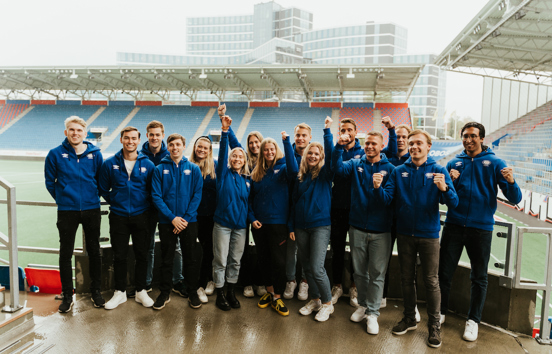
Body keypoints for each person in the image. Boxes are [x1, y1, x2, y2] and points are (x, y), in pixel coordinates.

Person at [375, 129, 458, 348]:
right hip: (404, 234)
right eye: (411, 143)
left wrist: (445, 188)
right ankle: (410, 318)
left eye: (419, 143)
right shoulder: (399, 171)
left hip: (429, 235)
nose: (414, 146)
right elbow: (386, 199)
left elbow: (454, 203)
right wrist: (377, 188)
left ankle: (433, 325)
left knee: (431, 281)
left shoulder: (439, 170)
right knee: (406, 278)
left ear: (429, 146)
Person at [439, 122, 522, 342]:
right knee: (444, 273)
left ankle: (473, 321)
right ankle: (440, 313)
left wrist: (512, 182)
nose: (468, 140)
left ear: (482, 138)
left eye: (473, 136)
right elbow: (443, 197)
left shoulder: (495, 162)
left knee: (479, 277)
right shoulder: (454, 163)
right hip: (454, 225)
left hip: (481, 228)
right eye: (465, 136)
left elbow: (515, 199)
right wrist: (451, 182)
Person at [332, 131, 395, 334]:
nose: (369, 146)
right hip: (357, 226)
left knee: (377, 274)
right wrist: (337, 147)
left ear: (381, 145)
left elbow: (388, 200)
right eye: (367, 143)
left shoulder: (391, 169)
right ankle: (364, 305)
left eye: (373, 143)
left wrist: (378, 188)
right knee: (359, 272)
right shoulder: (356, 163)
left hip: (381, 230)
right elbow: (337, 169)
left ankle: (373, 313)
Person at [44, 116, 105, 312]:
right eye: (72, 130)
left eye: (79, 130)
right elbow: (49, 182)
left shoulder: (95, 155)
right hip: (67, 211)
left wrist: (90, 198)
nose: (75, 133)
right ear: (66, 132)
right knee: (65, 253)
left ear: (85, 133)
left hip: (91, 209)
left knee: (94, 250)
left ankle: (96, 291)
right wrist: (63, 199)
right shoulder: (55, 154)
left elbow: (100, 181)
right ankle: (67, 296)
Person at [99, 127, 155, 309]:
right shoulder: (109, 164)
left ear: (139, 140)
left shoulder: (148, 164)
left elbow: (153, 191)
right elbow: (102, 188)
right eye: (126, 138)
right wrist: (116, 201)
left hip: (142, 215)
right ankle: (120, 292)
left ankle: (141, 291)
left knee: (142, 254)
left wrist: (142, 205)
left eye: (133, 138)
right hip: (118, 216)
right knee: (119, 255)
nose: (130, 141)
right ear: (121, 140)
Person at [151, 134, 203, 310]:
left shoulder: (194, 169)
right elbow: (156, 196)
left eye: (178, 145)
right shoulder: (159, 169)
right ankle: (164, 293)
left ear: (183, 146)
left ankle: (192, 292)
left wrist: (185, 219)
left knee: (190, 258)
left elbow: (197, 195)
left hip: (189, 222)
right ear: (168, 147)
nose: (175, 148)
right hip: (167, 222)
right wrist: (172, 218)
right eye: (171, 145)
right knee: (166, 258)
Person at [219, 104, 266, 298]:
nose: (254, 145)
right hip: (242, 210)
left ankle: (260, 282)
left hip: (259, 210)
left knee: (260, 250)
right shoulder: (244, 160)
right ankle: (245, 283)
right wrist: (223, 120)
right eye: (251, 143)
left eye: (257, 142)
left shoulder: (268, 160)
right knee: (242, 250)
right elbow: (233, 143)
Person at [290, 117, 335, 322]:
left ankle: (327, 303)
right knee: (307, 266)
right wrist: (292, 225)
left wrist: (327, 131)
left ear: (321, 156)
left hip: (320, 226)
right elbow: (293, 203)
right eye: (311, 153)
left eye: (317, 154)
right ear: (306, 155)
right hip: (301, 226)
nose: (313, 156)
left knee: (317, 267)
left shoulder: (325, 174)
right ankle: (315, 299)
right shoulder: (300, 176)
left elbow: (333, 158)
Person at [249, 132, 298, 316]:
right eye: (266, 150)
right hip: (260, 224)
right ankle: (269, 293)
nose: (269, 152)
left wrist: (286, 142)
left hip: (278, 223)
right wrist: (252, 218)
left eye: (272, 149)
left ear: (276, 151)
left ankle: (277, 297)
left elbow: (294, 171)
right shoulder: (257, 171)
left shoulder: (284, 168)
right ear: (261, 152)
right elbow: (250, 199)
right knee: (264, 259)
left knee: (279, 261)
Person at [380, 122, 421, 322]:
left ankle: (413, 306)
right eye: (398, 136)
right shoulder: (387, 157)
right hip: (387, 217)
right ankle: (381, 297)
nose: (401, 140)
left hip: (407, 220)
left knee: (411, 265)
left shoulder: (415, 160)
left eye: (404, 137)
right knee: (383, 259)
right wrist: (390, 130)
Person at [140, 121, 186, 299]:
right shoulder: (140, 155)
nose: (154, 137)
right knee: (149, 246)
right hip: (147, 209)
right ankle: (146, 282)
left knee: (176, 247)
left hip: (169, 211)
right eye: (151, 134)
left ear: (162, 136)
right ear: (147, 136)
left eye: (157, 134)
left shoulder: (170, 154)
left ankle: (177, 281)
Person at [212, 115, 252, 311]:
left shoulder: (247, 179)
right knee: (220, 259)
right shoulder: (222, 174)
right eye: (234, 156)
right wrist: (225, 132)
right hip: (223, 225)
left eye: (240, 157)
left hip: (241, 227)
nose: (237, 158)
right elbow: (221, 154)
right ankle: (219, 293)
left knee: (235, 260)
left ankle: (231, 291)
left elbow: (248, 203)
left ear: (244, 161)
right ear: (230, 159)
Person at [330, 118, 363, 307]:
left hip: (356, 209)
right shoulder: (336, 150)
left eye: (350, 129)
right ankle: (337, 285)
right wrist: (338, 147)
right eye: (343, 129)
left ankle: (354, 286)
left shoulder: (362, 152)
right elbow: (335, 169)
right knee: (337, 249)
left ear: (355, 132)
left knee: (357, 251)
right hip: (337, 207)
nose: (346, 132)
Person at [284, 123, 311, 301]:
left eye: (304, 135)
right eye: (298, 135)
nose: (300, 138)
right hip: (288, 205)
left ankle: (305, 281)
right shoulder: (286, 154)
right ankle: (291, 280)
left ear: (310, 137)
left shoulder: (315, 155)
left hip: (307, 208)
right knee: (290, 247)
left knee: (307, 249)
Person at [189, 136, 218, 303]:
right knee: (193, 251)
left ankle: (206, 281)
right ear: (195, 147)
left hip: (211, 216)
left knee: (209, 251)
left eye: (205, 147)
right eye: (199, 146)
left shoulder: (214, 166)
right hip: (192, 216)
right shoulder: (187, 165)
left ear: (209, 150)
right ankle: (194, 284)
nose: (202, 150)